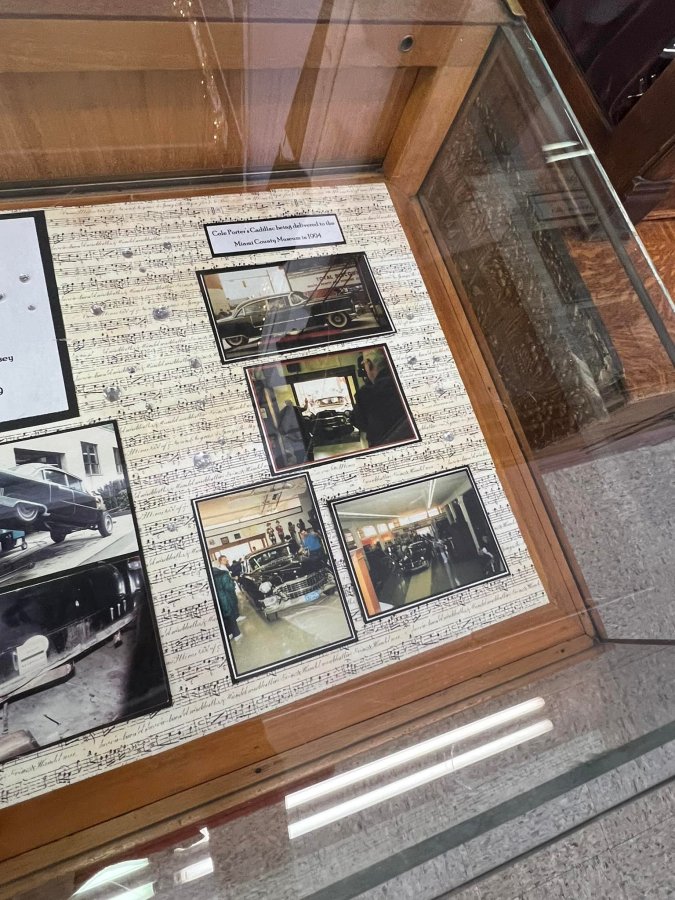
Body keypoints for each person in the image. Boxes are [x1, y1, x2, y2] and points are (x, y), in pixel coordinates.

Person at [350, 347, 412, 447]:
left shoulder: (367, 394)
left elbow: (360, 423)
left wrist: (369, 383)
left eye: (364, 364)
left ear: (369, 364)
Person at [212, 563, 242, 642]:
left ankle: (229, 634)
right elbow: (229, 587)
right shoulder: (223, 574)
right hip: (226, 598)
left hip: (217, 600)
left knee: (223, 617)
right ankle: (236, 634)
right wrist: (232, 583)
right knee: (230, 615)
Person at [277, 398, 314, 464]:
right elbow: (305, 408)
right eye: (290, 403)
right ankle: (308, 461)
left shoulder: (288, 410)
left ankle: (306, 461)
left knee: (301, 450)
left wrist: (306, 403)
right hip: (298, 434)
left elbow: (304, 408)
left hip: (297, 435)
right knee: (303, 449)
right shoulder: (291, 410)